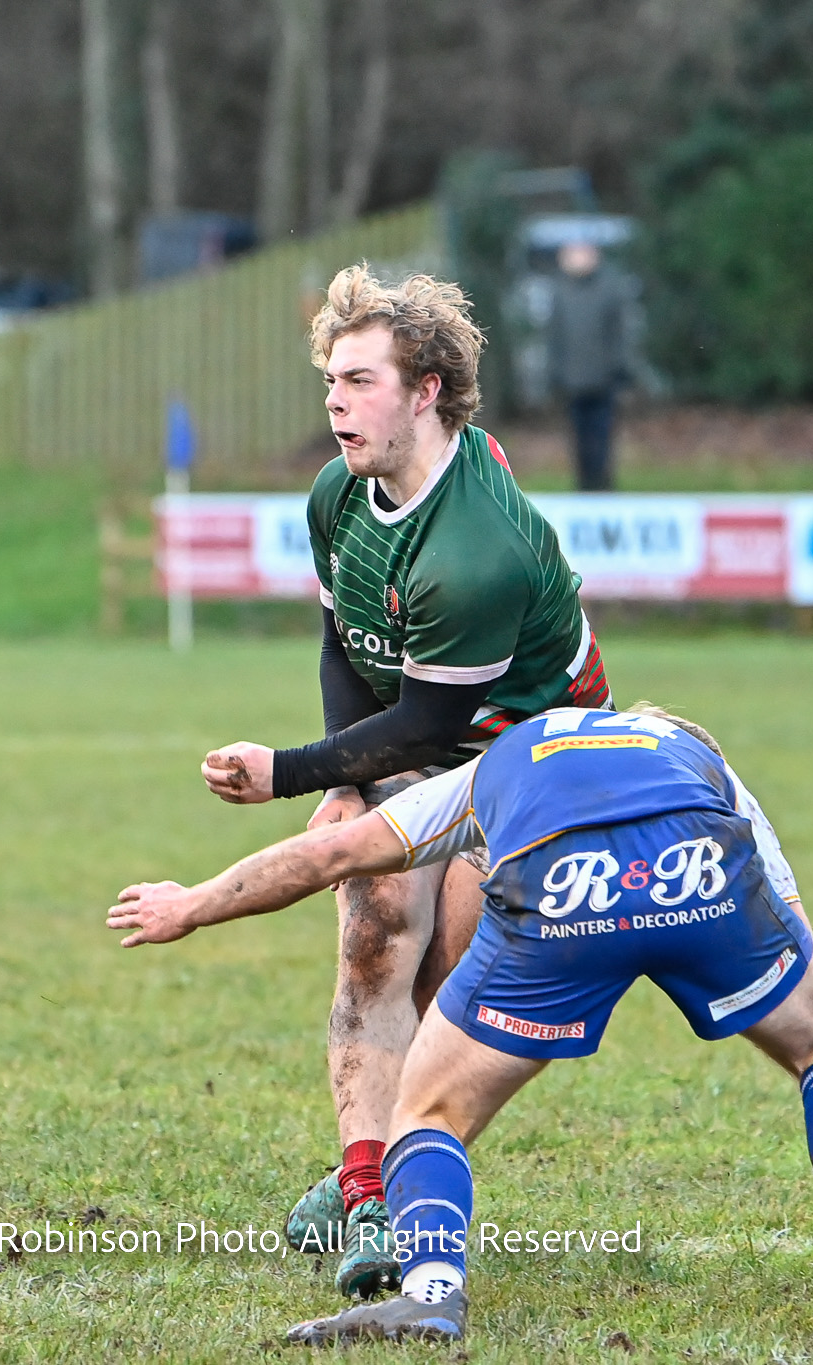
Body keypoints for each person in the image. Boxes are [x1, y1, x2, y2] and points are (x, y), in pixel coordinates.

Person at [112, 704, 813, 1343]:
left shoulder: (501, 761)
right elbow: (788, 920)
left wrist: (192, 904)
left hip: (565, 886)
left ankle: (431, 1296)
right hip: (700, 864)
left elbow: (331, 853)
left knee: (427, 1107)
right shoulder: (701, 759)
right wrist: (807, 1008)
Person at [197, 264, 609, 1296]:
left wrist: (289, 772)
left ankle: (386, 1172)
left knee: (450, 982)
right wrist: (341, 783)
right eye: (330, 381)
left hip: (528, 758)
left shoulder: (473, 548)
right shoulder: (339, 492)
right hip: (426, 735)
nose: (335, 403)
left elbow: (431, 723)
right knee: (376, 932)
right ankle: (370, 1194)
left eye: (360, 381)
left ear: (426, 392)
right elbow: (344, 640)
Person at [546, 239, 643, 492]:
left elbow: (619, 334)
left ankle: (602, 485)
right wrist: (554, 374)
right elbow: (554, 337)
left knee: (602, 437)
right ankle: (584, 486)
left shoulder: (609, 288)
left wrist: (620, 370)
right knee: (579, 438)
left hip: (603, 381)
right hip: (572, 382)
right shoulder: (560, 292)